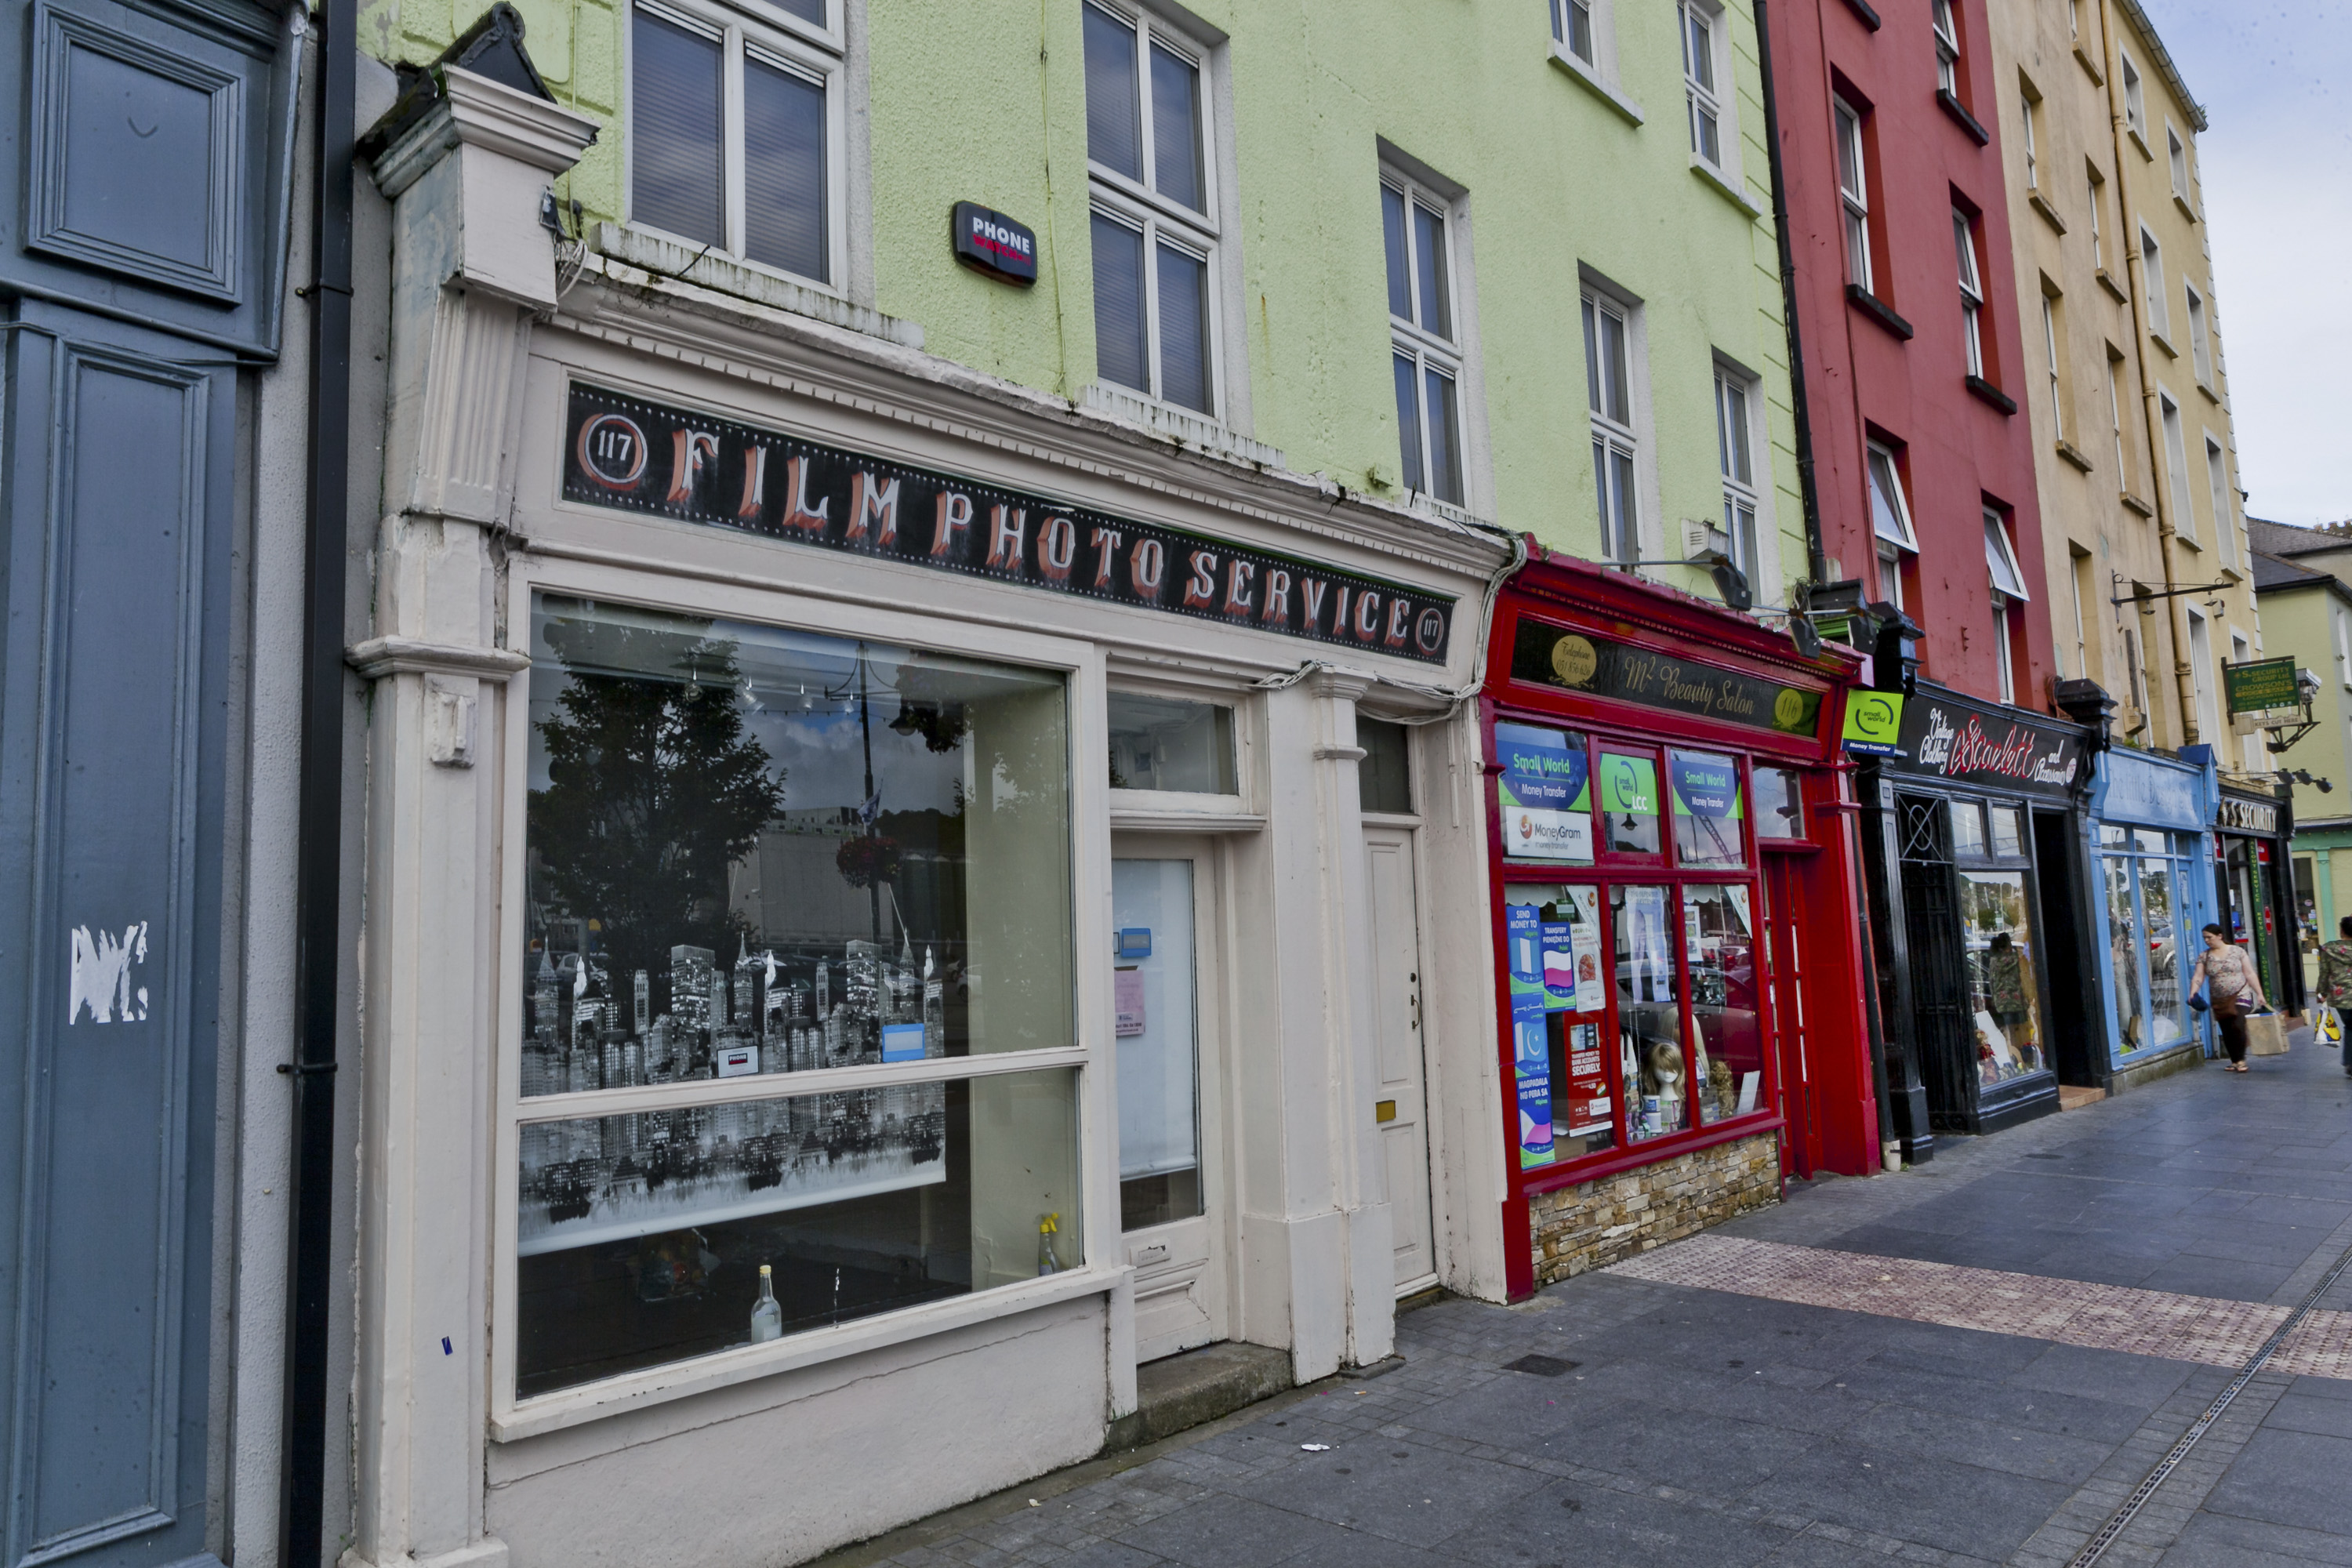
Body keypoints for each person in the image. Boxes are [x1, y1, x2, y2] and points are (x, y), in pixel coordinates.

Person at [2190, 921, 2268, 1073]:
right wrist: (2193, 992)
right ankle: (2234, 1060)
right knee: (2226, 1030)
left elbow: (2250, 973)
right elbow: (2198, 977)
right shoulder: (2204, 956)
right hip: (2220, 999)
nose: (2207, 940)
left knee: (2237, 1025)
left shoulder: (2237, 952)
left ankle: (2241, 1060)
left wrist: (2259, 993)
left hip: (2241, 994)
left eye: (2209, 937)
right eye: (2204, 938)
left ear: (2220, 936)